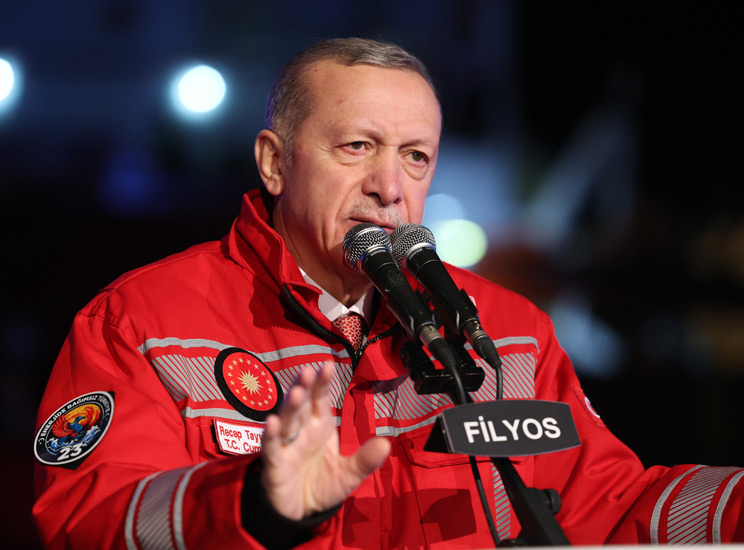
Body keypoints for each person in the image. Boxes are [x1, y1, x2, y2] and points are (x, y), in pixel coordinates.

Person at [33, 37, 744, 549]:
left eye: (415, 156)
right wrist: (251, 506)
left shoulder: (508, 329)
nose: (390, 186)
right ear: (274, 163)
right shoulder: (142, 321)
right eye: (357, 147)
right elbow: (83, 519)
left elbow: (610, 506)